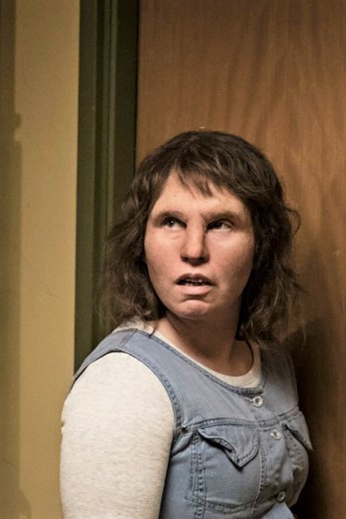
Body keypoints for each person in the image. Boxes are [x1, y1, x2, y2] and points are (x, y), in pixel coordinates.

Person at [60, 130, 311, 518]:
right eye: (172, 222)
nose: (194, 250)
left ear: (260, 243)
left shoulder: (273, 361)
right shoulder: (124, 383)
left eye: (220, 224)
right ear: (141, 242)